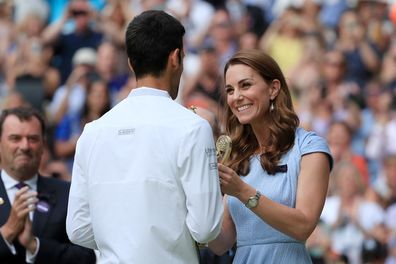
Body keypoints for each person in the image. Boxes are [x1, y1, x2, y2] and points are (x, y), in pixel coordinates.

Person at [66, 10, 224, 264]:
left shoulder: (92, 132)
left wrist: (123, 242)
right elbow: (205, 227)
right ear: (175, 58)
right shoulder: (193, 127)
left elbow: (77, 228)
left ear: (130, 63)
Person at [208, 50, 333, 263]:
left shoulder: (309, 147)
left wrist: (242, 190)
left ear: (273, 88)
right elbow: (221, 243)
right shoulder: (239, 156)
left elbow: (303, 226)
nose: (236, 97)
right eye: (230, 89)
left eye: (245, 85)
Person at [0, 106, 96, 263]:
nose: (24, 146)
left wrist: (35, 246)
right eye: (15, 138)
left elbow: (87, 257)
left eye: (33, 139)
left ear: (43, 146)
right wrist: (8, 231)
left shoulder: (67, 194)